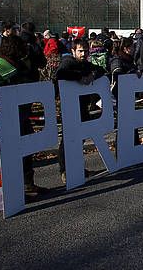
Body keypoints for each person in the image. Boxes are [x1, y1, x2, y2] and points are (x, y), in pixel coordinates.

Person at [0, 35, 47, 196]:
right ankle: (13, 190)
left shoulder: (20, 65)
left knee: (27, 150)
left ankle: (28, 184)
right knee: (13, 155)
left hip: (22, 114)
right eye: (23, 46)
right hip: (9, 118)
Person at [55, 38, 106, 183]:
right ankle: (65, 170)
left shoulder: (85, 64)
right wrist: (80, 77)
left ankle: (76, 167)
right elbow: (61, 73)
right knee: (68, 139)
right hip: (69, 107)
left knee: (80, 137)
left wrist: (92, 75)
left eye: (85, 51)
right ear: (73, 51)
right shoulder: (69, 62)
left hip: (82, 106)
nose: (83, 54)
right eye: (80, 51)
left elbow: (100, 70)